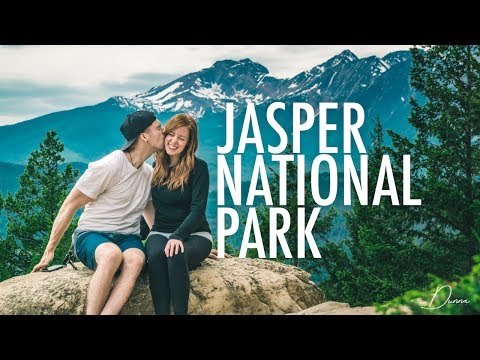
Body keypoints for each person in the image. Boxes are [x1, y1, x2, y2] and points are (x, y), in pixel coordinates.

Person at [32, 110, 165, 315]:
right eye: (158, 127)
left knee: (136, 259)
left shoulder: (148, 174)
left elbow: (152, 217)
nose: (164, 130)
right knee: (111, 255)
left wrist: (180, 241)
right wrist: (49, 251)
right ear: (144, 136)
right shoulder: (110, 165)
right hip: (92, 235)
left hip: (128, 237)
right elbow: (69, 205)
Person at [143, 113, 219, 315]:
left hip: (195, 234)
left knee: (176, 253)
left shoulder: (198, 167)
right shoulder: (155, 167)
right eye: (172, 134)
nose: (174, 141)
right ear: (165, 134)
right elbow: (150, 207)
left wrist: (180, 237)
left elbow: (198, 209)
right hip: (160, 231)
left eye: (181, 138)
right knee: (155, 255)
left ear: (189, 143)